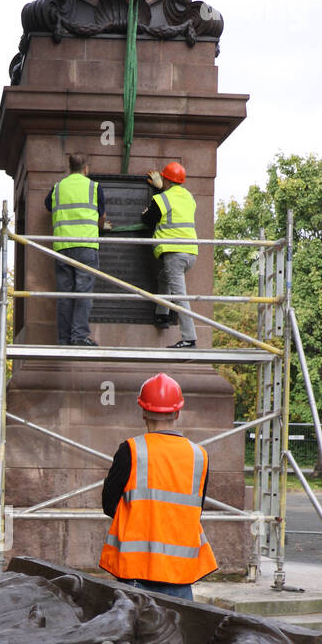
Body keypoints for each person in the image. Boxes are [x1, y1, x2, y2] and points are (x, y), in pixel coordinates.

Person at [99, 372, 217, 601]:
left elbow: (108, 504)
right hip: (180, 575)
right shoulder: (199, 455)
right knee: (177, 635)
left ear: (143, 411)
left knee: (135, 636)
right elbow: (196, 508)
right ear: (178, 412)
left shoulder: (131, 450)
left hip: (136, 572)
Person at [45, 152, 108, 347]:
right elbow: (102, 216)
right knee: (83, 293)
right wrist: (100, 225)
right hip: (86, 246)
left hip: (63, 247)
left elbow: (48, 206)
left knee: (65, 294)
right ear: (86, 168)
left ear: (69, 167)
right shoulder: (94, 187)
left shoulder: (57, 188)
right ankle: (79, 337)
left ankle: (64, 339)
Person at [141, 161, 199, 348]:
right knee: (164, 278)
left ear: (165, 179)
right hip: (190, 253)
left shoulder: (162, 199)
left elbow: (148, 219)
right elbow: (172, 208)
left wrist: (152, 202)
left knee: (180, 295)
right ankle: (162, 315)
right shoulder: (189, 197)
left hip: (174, 253)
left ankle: (189, 339)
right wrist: (161, 190)